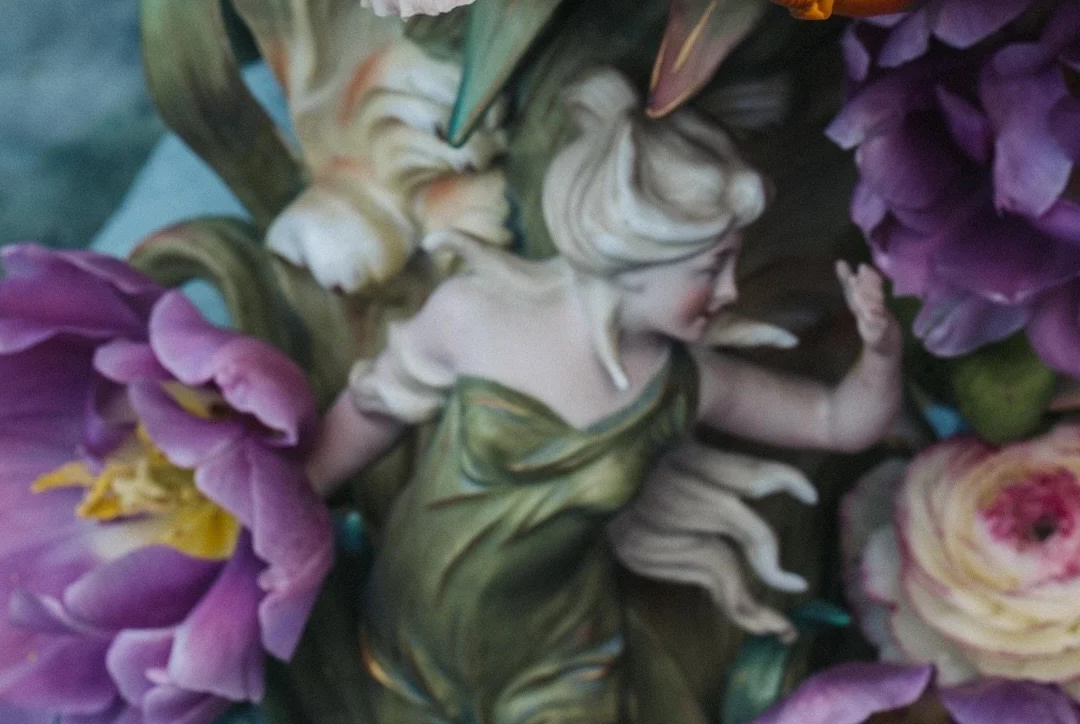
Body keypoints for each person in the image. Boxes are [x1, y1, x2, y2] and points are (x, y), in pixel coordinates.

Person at [305, 68, 904, 724]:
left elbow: (837, 421)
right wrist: (288, 504)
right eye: (710, 269)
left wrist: (880, 354)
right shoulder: (475, 315)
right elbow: (375, 408)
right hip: (410, 630)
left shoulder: (686, 385)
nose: (731, 290)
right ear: (633, 259)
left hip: (558, 659)